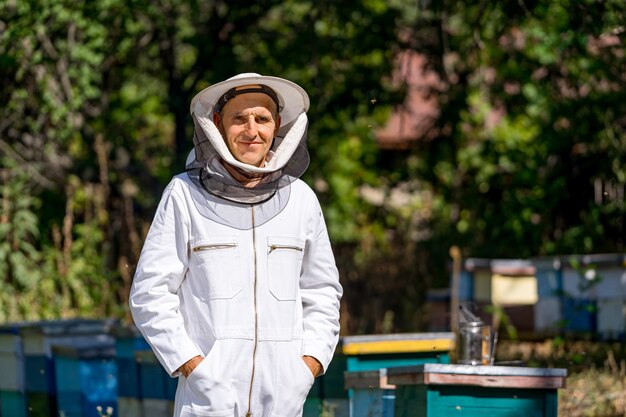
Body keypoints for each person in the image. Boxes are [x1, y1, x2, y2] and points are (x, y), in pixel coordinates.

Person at [129, 73, 343, 417]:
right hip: (208, 402)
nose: (251, 130)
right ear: (217, 124)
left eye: (262, 118)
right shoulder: (184, 194)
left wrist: (306, 368)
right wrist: (194, 368)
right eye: (239, 118)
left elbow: (322, 292)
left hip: (283, 402)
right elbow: (150, 293)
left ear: (277, 126)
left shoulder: (302, 199)